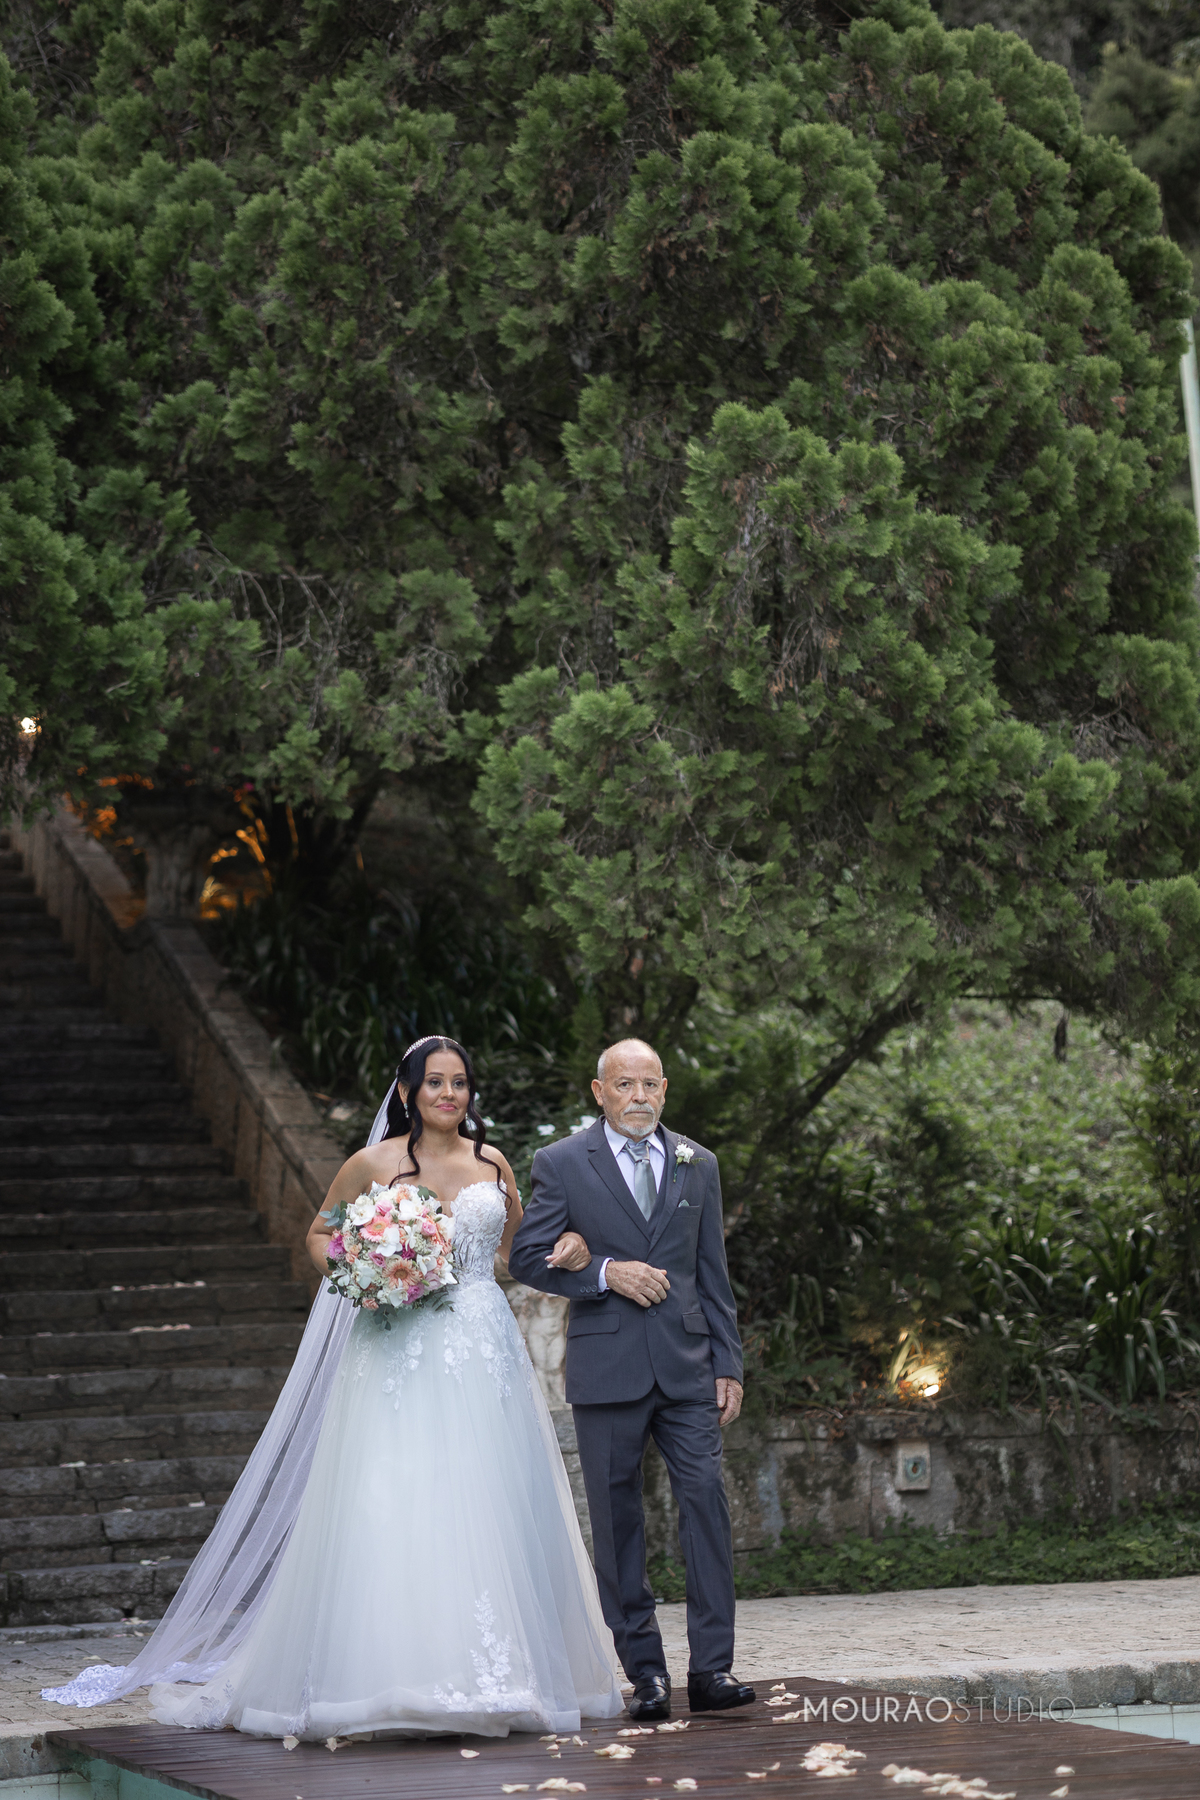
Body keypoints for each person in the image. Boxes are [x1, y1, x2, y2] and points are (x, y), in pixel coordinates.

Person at [43, 1036, 623, 1740]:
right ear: (407, 1092)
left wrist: (571, 1249)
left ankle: (500, 1675)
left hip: (481, 1346)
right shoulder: (372, 1164)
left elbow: (519, 1253)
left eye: (460, 1083)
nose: (449, 1094)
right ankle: (385, 1676)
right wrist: (364, 1271)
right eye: (435, 1082)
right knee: (394, 1493)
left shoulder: (491, 1162)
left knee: (488, 1493)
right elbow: (320, 1234)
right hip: (396, 1344)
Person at [508, 1037, 754, 1723]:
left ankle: (713, 1669)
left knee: (706, 1506)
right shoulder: (562, 1162)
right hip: (607, 1367)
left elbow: (713, 1273)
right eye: (624, 1084)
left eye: (650, 1084)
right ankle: (645, 1674)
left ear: (665, 1090)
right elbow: (527, 1257)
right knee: (617, 1524)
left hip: (688, 1366)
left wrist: (728, 1364)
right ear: (600, 1092)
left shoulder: (698, 1163)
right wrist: (603, 1273)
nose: (638, 1096)